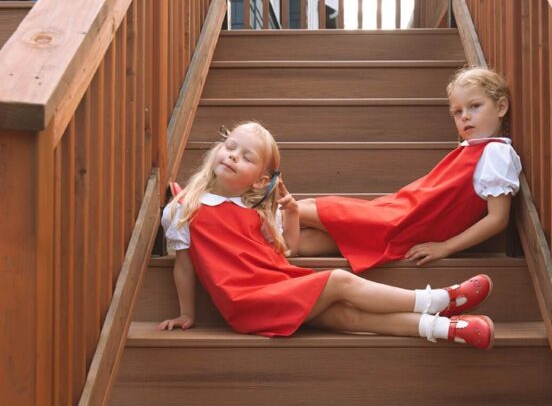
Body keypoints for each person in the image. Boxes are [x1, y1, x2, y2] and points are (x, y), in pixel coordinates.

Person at [159, 121, 496, 348]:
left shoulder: (255, 211)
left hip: (276, 288)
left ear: (261, 181)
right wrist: (187, 313)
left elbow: (287, 250)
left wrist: (290, 213)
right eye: (230, 147)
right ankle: (437, 299)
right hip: (248, 302)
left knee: (350, 316)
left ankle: (449, 329)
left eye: (246, 156)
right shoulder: (185, 207)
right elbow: (185, 265)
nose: (232, 155)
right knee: (338, 279)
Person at [296, 67, 522, 271]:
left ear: (501, 107)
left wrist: (445, 248)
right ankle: (261, 242)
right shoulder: (470, 149)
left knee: (305, 209)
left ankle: (260, 215)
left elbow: (497, 219)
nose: (464, 116)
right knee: (305, 241)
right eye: (457, 111)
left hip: (404, 223)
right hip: (400, 212)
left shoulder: (495, 153)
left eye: (474, 106)